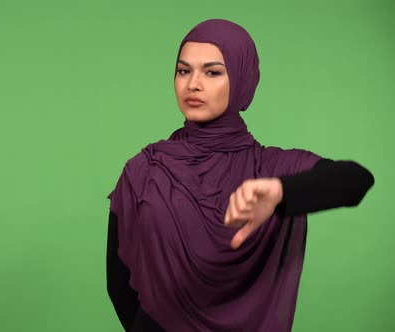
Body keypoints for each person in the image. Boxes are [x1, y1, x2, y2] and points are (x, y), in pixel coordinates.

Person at [105, 19, 374, 332]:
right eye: (183, 70)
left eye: (213, 71)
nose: (193, 84)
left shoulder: (270, 170)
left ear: (242, 78)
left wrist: (280, 193)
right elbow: (118, 282)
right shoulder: (145, 168)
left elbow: (355, 180)